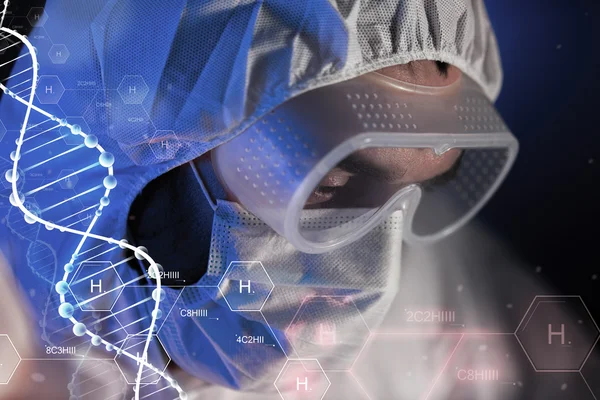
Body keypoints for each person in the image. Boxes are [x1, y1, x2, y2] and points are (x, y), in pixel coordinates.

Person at [0, 1, 596, 399]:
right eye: (327, 185)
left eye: (411, 192)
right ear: (142, 136)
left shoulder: (446, 301)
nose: (369, 278)